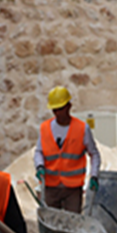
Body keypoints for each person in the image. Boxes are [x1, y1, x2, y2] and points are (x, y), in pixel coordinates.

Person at [34, 85, 101, 213]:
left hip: (73, 188)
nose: (58, 113)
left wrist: (94, 176)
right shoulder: (45, 128)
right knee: (52, 221)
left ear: (69, 107)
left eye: (61, 109)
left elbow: (94, 154)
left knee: (73, 223)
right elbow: (39, 152)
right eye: (55, 110)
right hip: (51, 187)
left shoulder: (82, 129)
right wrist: (39, 166)